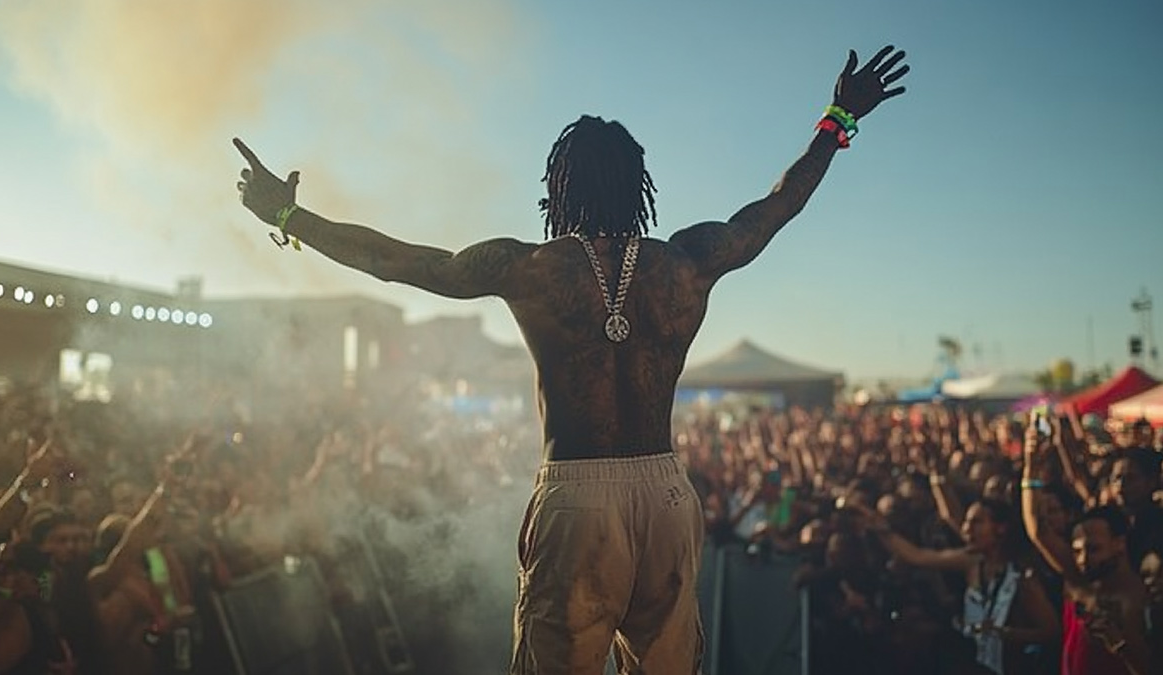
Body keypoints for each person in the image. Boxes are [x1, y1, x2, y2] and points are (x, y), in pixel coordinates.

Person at [233, 45, 909, 675]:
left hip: (577, 497)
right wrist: (838, 119)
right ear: (638, 184)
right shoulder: (686, 262)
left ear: (560, 188)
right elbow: (776, 208)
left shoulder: (531, 268)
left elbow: (403, 264)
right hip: (668, 495)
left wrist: (292, 218)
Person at [860, 498, 1060, 674]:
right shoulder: (972, 562)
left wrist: (1004, 633)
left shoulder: (1022, 577)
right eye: (966, 522)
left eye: (977, 522)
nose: (966, 529)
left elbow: (1051, 633)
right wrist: (883, 531)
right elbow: (918, 557)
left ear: (1001, 528)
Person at [1022, 428, 1155, 675]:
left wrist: (1121, 643)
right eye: (1077, 550)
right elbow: (1039, 530)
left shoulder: (1140, 599)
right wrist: (1031, 468)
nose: (1083, 559)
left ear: (1119, 543)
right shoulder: (1078, 580)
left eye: (1093, 549)